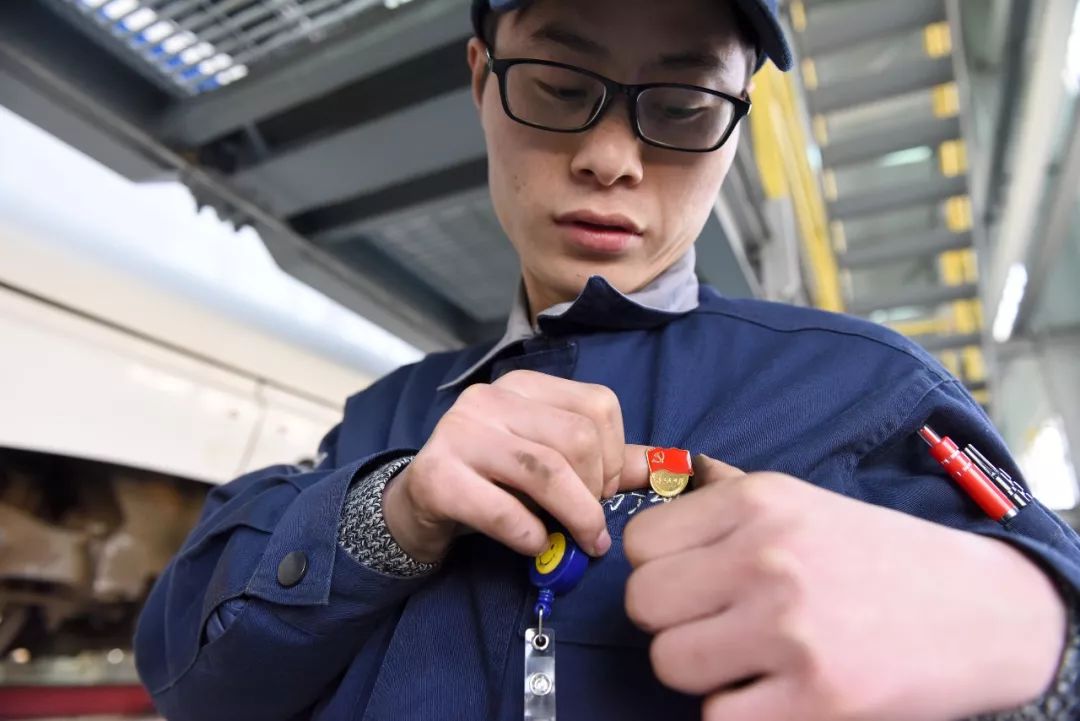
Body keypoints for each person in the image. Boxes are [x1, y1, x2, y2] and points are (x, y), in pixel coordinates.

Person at [133, 0, 1080, 719]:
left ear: (737, 123)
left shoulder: (869, 393)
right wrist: (392, 513)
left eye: (683, 105)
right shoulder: (384, 415)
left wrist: (1044, 645)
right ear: (481, 78)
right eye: (556, 85)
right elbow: (194, 678)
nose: (611, 157)